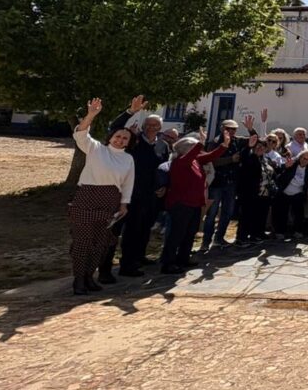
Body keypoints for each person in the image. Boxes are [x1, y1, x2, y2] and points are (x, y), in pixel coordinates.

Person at [69, 98, 134, 294]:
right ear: (111, 137)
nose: (120, 140)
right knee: (83, 242)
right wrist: (91, 115)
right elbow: (81, 134)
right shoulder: (97, 149)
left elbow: (128, 183)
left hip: (110, 202)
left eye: (125, 139)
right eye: (118, 136)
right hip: (87, 198)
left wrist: (124, 204)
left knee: (101, 243)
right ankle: (78, 279)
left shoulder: (128, 158)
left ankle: (90, 276)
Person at [106, 95, 170, 278]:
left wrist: (164, 185)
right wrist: (130, 112)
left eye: (155, 126)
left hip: (152, 195)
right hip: (132, 193)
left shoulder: (162, 145)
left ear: (160, 128)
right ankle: (127, 265)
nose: (151, 128)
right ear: (143, 126)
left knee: (144, 229)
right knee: (131, 231)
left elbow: (164, 167)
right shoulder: (134, 141)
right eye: (148, 125)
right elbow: (115, 128)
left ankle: (139, 257)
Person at [160, 132, 229, 274]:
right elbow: (195, 153)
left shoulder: (195, 161)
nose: (198, 149)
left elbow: (211, 156)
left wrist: (224, 145)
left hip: (194, 203)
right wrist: (201, 142)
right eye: (194, 146)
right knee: (177, 234)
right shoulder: (180, 162)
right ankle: (168, 262)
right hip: (181, 204)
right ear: (186, 149)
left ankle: (183, 258)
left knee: (190, 232)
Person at [201, 115, 257, 252]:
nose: (231, 132)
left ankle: (219, 239)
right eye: (228, 129)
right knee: (212, 214)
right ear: (222, 128)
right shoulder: (215, 142)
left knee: (227, 212)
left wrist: (250, 129)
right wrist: (230, 159)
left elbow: (255, 140)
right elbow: (212, 160)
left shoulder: (237, 141)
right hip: (217, 182)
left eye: (234, 129)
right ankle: (205, 242)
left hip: (231, 183)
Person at [235, 134, 274, 244]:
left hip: (264, 193)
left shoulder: (265, 160)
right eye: (257, 146)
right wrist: (248, 146)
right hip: (249, 192)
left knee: (260, 215)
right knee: (247, 215)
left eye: (262, 147)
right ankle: (241, 238)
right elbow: (244, 156)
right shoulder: (250, 157)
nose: (260, 148)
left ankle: (256, 234)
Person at [273, 150, 308, 241]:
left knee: (298, 214)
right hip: (285, 191)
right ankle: (280, 232)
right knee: (282, 213)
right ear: (300, 157)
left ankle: (297, 231)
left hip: (298, 193)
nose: (305, 161)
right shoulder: (292, 163)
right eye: (303, 158)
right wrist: (285, 166)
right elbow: (279, 170)